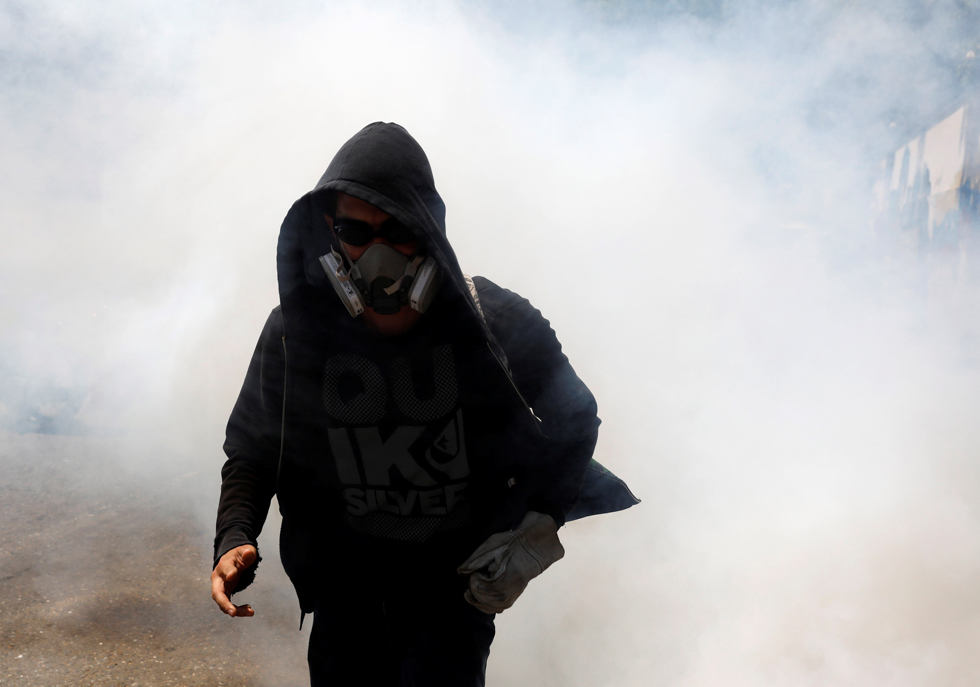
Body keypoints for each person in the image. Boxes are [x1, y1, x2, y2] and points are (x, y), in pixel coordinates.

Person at [210, 122, 637, 686]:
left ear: (428, 226)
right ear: (329, 232)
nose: (376, 253)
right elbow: (254, 446)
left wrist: (540, 521)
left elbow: (576, 418)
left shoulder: (496, 324)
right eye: (355, 231)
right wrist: (234, 536)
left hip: (450, 599)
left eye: (398, 231)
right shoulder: (297, 332)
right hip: (346, 598)